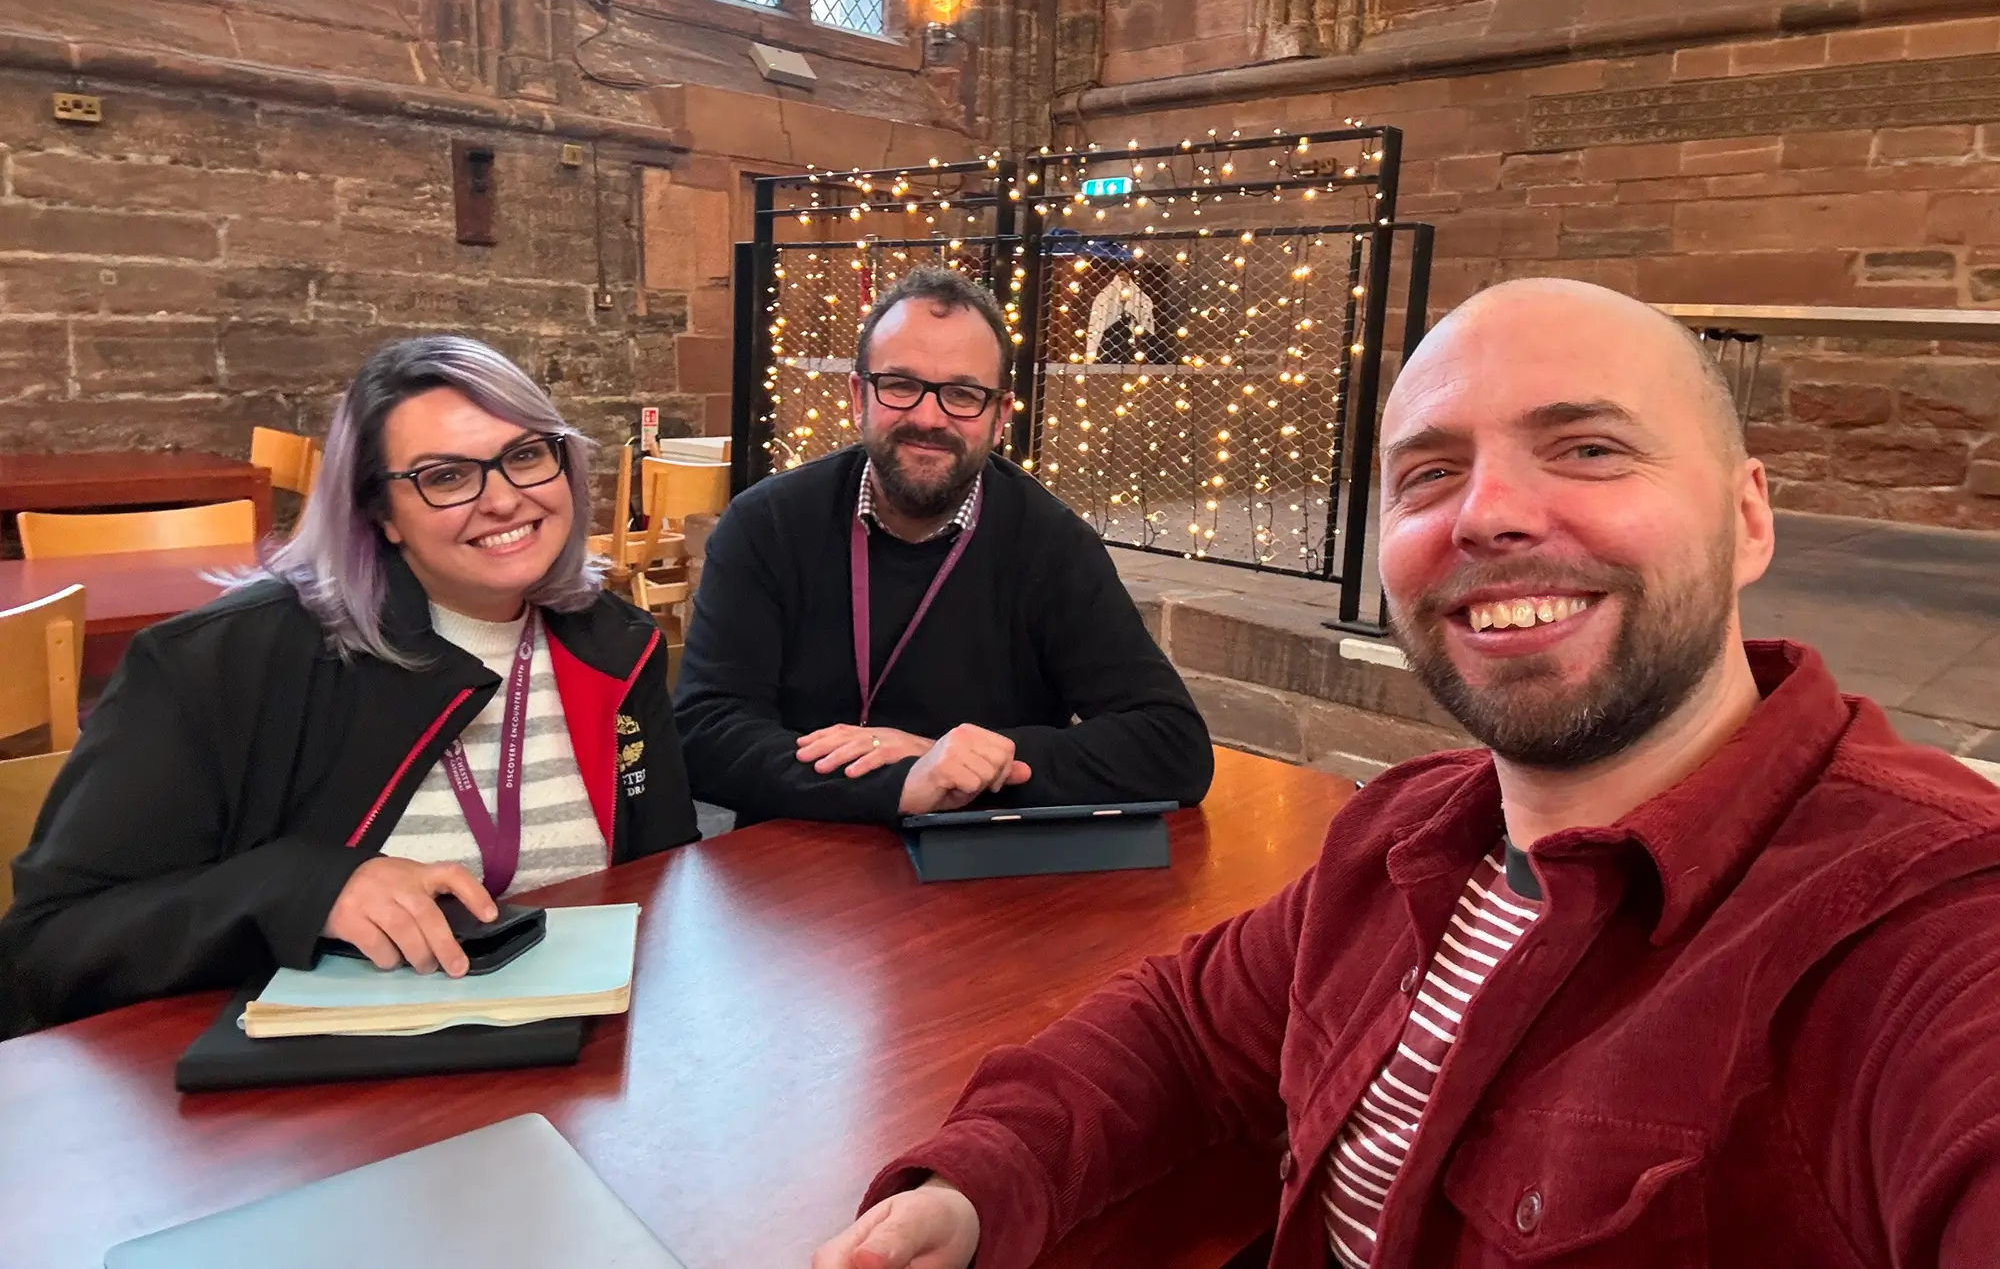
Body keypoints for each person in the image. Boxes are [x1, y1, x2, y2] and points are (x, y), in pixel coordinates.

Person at [813, 278, 2000, 1269]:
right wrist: (973, 1189)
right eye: (1428, 473)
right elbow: (1181, 1032)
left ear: (1747, 520)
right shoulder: (1407, 834)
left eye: (1586, 448)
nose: (1485, 515)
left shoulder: (1926, 923)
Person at [0, 336, 699, 1038]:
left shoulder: (617, 646)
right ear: (380, 514)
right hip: (311, 1102)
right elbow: (52, 945)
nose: (504, 500)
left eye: (525, 456)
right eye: (447, 477)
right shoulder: (222, 664)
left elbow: (664, 883)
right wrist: (308, 889)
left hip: (581, 1061)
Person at [675, 267, 1212, 824]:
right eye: (900, 385)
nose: (928, 418)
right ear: (858, 394)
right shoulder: (767, 524)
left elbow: (1172, 747)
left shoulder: (1050, 544)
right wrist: (900, 783)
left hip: (981, 877)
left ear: (1000, 416)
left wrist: (971, 761)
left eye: (962, 394)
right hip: (795, 869)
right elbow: (705, 731)